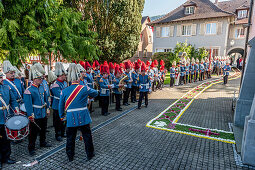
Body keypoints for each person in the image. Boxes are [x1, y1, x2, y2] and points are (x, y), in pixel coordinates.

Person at [59, 63, 98, 162]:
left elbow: (60, 106)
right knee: (87, 136)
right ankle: (90, 154)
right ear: (78, 77)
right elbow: (95, 93)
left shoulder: (64, 91)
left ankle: (70, 156)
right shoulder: (84, 88)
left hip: (71, 117)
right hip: (83, 116)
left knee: (70, 138)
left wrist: (61, 116)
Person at [24, 65, 51, 156]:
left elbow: (45, 99)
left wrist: (47, 108)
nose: (41, 80)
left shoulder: (42, 87)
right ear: (34, 79)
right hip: (35, 113)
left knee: (43, 128)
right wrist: (30, 115)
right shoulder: (29, 90)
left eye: (42, 78)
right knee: (33, 132)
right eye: (39, 78)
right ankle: (31, 148)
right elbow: (28, 105)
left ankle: (42, 142)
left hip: (43, 112)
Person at [0, 72, 19, 168]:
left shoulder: (6, 87)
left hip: (6, 117)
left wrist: (16, 110)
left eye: (1, 77)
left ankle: (7, 157)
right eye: (0, 78)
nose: (1, 79)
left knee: (6, 139)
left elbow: (13, 100)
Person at [50, 62, 67, 141]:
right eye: (64, 75)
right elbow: (60, 95)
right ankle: (58, 134)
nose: (65, 76)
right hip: (57, 106)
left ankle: (63, 132)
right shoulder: (55, 85)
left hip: (64, 105)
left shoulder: (65, 83)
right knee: (58, 121)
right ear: (60, 75)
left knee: (63, 119)